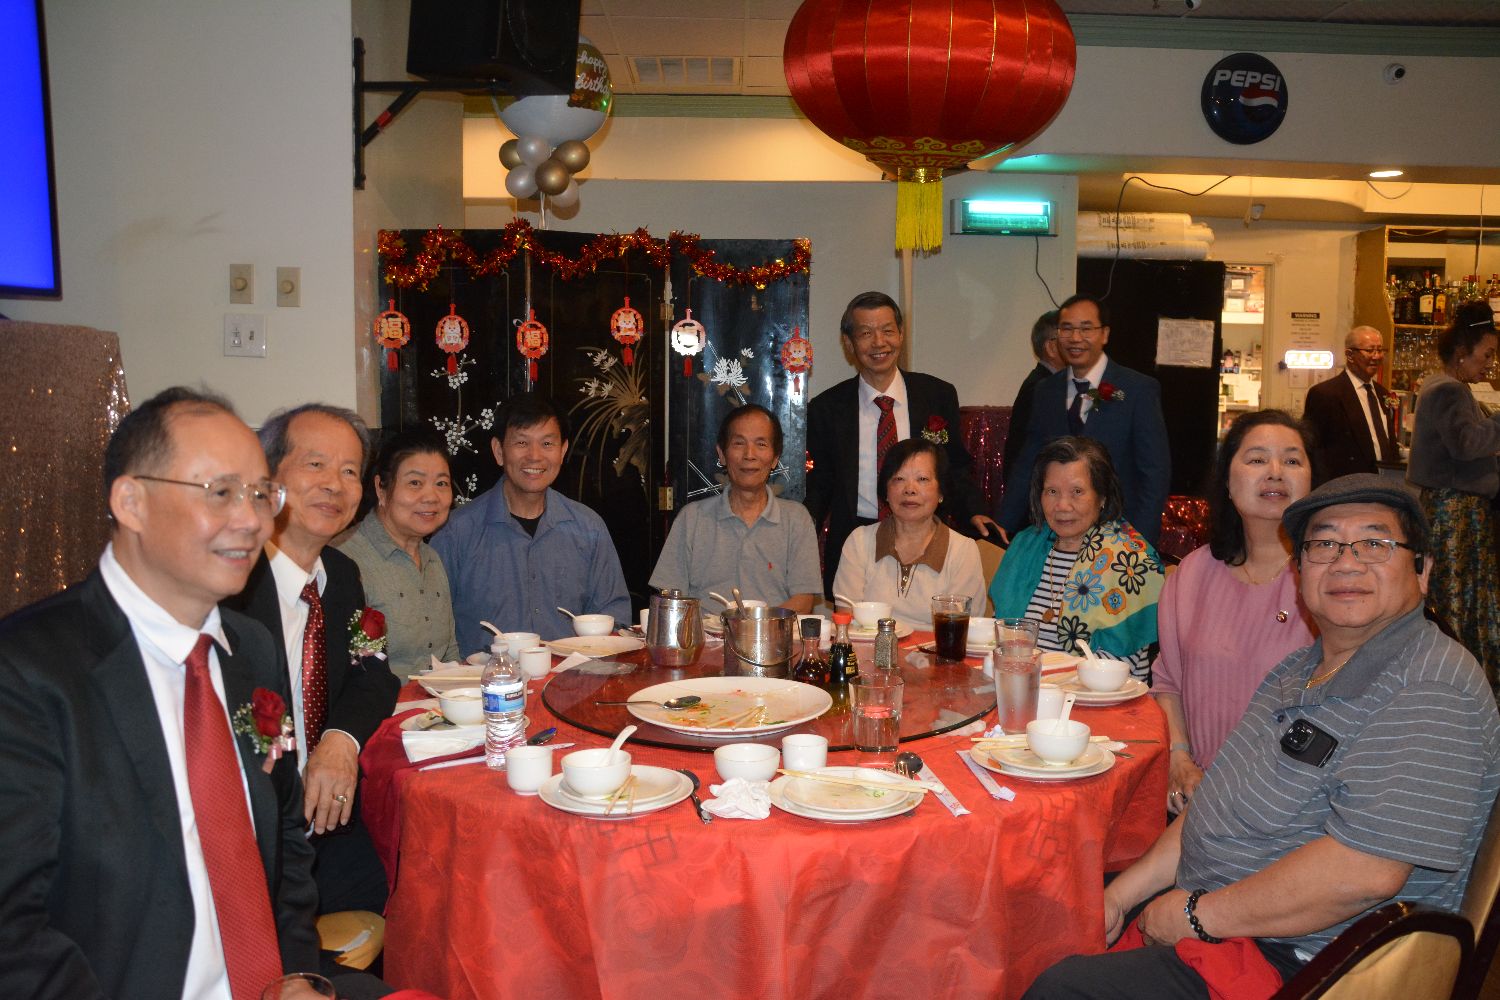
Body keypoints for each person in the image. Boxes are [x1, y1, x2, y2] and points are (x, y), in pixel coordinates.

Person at [1023, 474, 1500, 1000]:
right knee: (1045, 914)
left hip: (1308, 962)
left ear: (1423, 570)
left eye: (1374, 543)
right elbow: (1214, 804)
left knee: (1063, 989)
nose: (1346, 563)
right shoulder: (1297, 670)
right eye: (1323, 545)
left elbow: (1365, 872)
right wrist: (1121, 896)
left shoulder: (1429, 686)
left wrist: (1195, 916)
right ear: (1299, 574)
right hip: (1223, 910)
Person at [0, 387, 386, 999]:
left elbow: (285, 842)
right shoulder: (27, 673)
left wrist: (293, 974)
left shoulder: (248, 649)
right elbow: (14, 934)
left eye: (260, 494)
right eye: (220, 492)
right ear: (132, 502)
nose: (252, 519)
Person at [226, 403, 399, 918]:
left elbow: (373, 673)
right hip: (247, 830)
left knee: (409, 895)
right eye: (315, 464)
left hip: (326, 823)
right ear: (267, 478)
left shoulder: (340, 575)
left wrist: (339, 742)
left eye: (349, 471)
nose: (334, 485)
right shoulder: (230, 582)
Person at [1152, 410, 1317, 814]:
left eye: (1292, 460)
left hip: (1292, 802)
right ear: (1227, 480)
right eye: (1257, 459)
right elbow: (1168, 683)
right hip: (1198, 793)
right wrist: (1178, 759)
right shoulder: (1193, 574)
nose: (1275, 472)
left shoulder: (1328, 580)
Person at [805, 290, 997, 597]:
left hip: (926, 537)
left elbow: (954, 467)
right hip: (857, 542)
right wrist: (801, 530)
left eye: (887, 331)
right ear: (849, 343)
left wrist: (974, 510)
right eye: (866, 333)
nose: (879, 342)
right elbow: (821, 482)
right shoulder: (827, 408)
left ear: (901, 334)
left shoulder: (936, 395)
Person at [432, 392, 630, 652]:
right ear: (499, 451)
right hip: (486, 676)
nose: (535, 456)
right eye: (522, 442)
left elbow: (613, 618)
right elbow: (431, 628)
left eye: (547, 443)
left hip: (572, 674)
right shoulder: (456, 532)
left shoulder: (588, 528)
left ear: (563, 451)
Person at [998, 294, 1171, 546]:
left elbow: (1154, 473)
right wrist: (1003, 525)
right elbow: (1029, 463)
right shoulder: (1046, 391)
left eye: (1086, 328)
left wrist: (1139, 542)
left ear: (1105, 334)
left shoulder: (1138, 389)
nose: (1075, 338)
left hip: (1118, 537)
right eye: (1066, 329)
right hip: (1057, 534)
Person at [991, 436, 1163, 681]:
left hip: (1096, 696)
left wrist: (1042, 683)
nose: (1062, 505)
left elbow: (1117, 667)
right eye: (1052, 491)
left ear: (1102, 497)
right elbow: (1000, 635)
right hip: (1024, 687)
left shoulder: (1128, 560)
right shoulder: (1025, 547)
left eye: (1077, 492)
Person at [1407, 300, 1500, 692]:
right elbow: (1466, 445)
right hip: (1456, 512)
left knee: (1456, 594)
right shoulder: (1450, 390)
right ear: (1462, 352)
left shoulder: (1443, 387)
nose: (1490, 363)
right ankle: (1459, 683)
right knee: (1459, 598)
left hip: (1453, 509)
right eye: (1487, 354)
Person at [650, 404, 822, 615]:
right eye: (739, 443)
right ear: (722, 454)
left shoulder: (796, 519)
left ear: (775, 458)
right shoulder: (692, 518)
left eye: (761, 444)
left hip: (773, 633)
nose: (749, 455)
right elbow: (669, 596)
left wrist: (751, 625)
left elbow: (803, 600)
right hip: (703, 633)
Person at [337, 428, 461, 679]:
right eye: (415, 483)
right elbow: (344, 671)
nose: (431, 497)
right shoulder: (344, 560)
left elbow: (449, 654)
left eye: (441, 483)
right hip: (382, 702)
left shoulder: (431, 557)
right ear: (381, 489)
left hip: (437, 702)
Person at [831, 438, 987, 629]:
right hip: (869, 647)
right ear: (886, 490)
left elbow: (959, 631)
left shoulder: (962, 550)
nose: (910, 490)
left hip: (937, 648)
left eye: (922, 479)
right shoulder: (860, 541)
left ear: (941, 492)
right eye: (899, 479)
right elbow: (846, 623)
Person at [1302, 325, 1399, 485]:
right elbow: (1313, 447)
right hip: (1346, 484)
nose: (1376, 356)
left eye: (1380, 350)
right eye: (1370, 350)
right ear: (1350, 355)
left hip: (1385, 483)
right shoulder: (1326, 394)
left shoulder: (1382, 393)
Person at [1002, 309, 1062, 483]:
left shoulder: (1047, 382)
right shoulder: (1041, 388)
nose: (1076, 343)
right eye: (1067, 337)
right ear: (1051, 347)